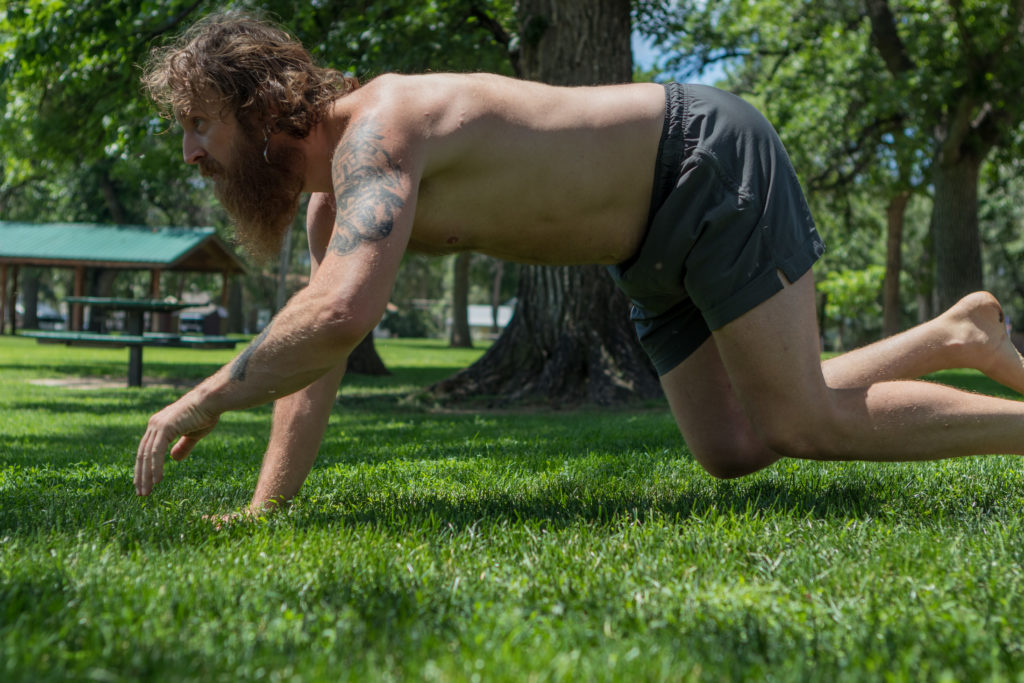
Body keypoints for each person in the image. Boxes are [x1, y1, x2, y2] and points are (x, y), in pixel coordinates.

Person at [135, 12, 1024, 513]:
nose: (188, 152)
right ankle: (955, 333)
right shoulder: (335, 199)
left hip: (699, 163)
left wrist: (205, 392)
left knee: (800, 424)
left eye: (199, 122)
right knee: (733, 446)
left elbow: (339, 316)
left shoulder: (380, 131)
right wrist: (265, 511)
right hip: (642, 242)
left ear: (259, 105)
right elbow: (318, 355)